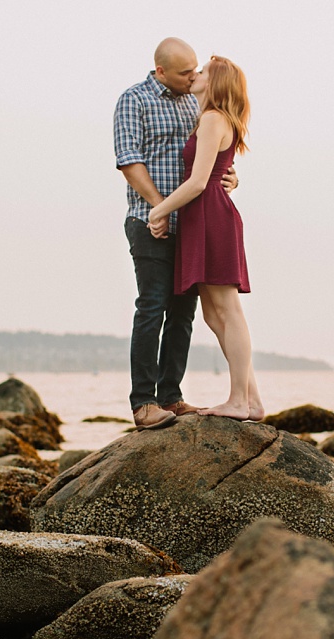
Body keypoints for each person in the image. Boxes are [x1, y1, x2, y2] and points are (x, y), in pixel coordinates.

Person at [114, 38, 236, 430]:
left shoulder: (194, 101)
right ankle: (143, 403)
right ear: (161, 70)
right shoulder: (133, 100)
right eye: (186, 72)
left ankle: (171, 396)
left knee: (183, 313)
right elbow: (128, 160)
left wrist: (227, 175)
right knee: (152, 306)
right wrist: (157, 208)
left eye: (195, 69)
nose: (193, 77)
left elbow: (207, 156)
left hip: (192, 225)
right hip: (147, 220)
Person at [148, 56, 263, 421]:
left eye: (204, 72)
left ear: (216, 83)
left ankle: (239, 402)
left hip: (210, 214)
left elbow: (199, 181)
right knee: (214, 315)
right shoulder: (210, 117)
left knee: (227, 310)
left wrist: (158, 210)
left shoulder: (214, 119)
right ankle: (252, 400)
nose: (196, 74)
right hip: (203, 215)